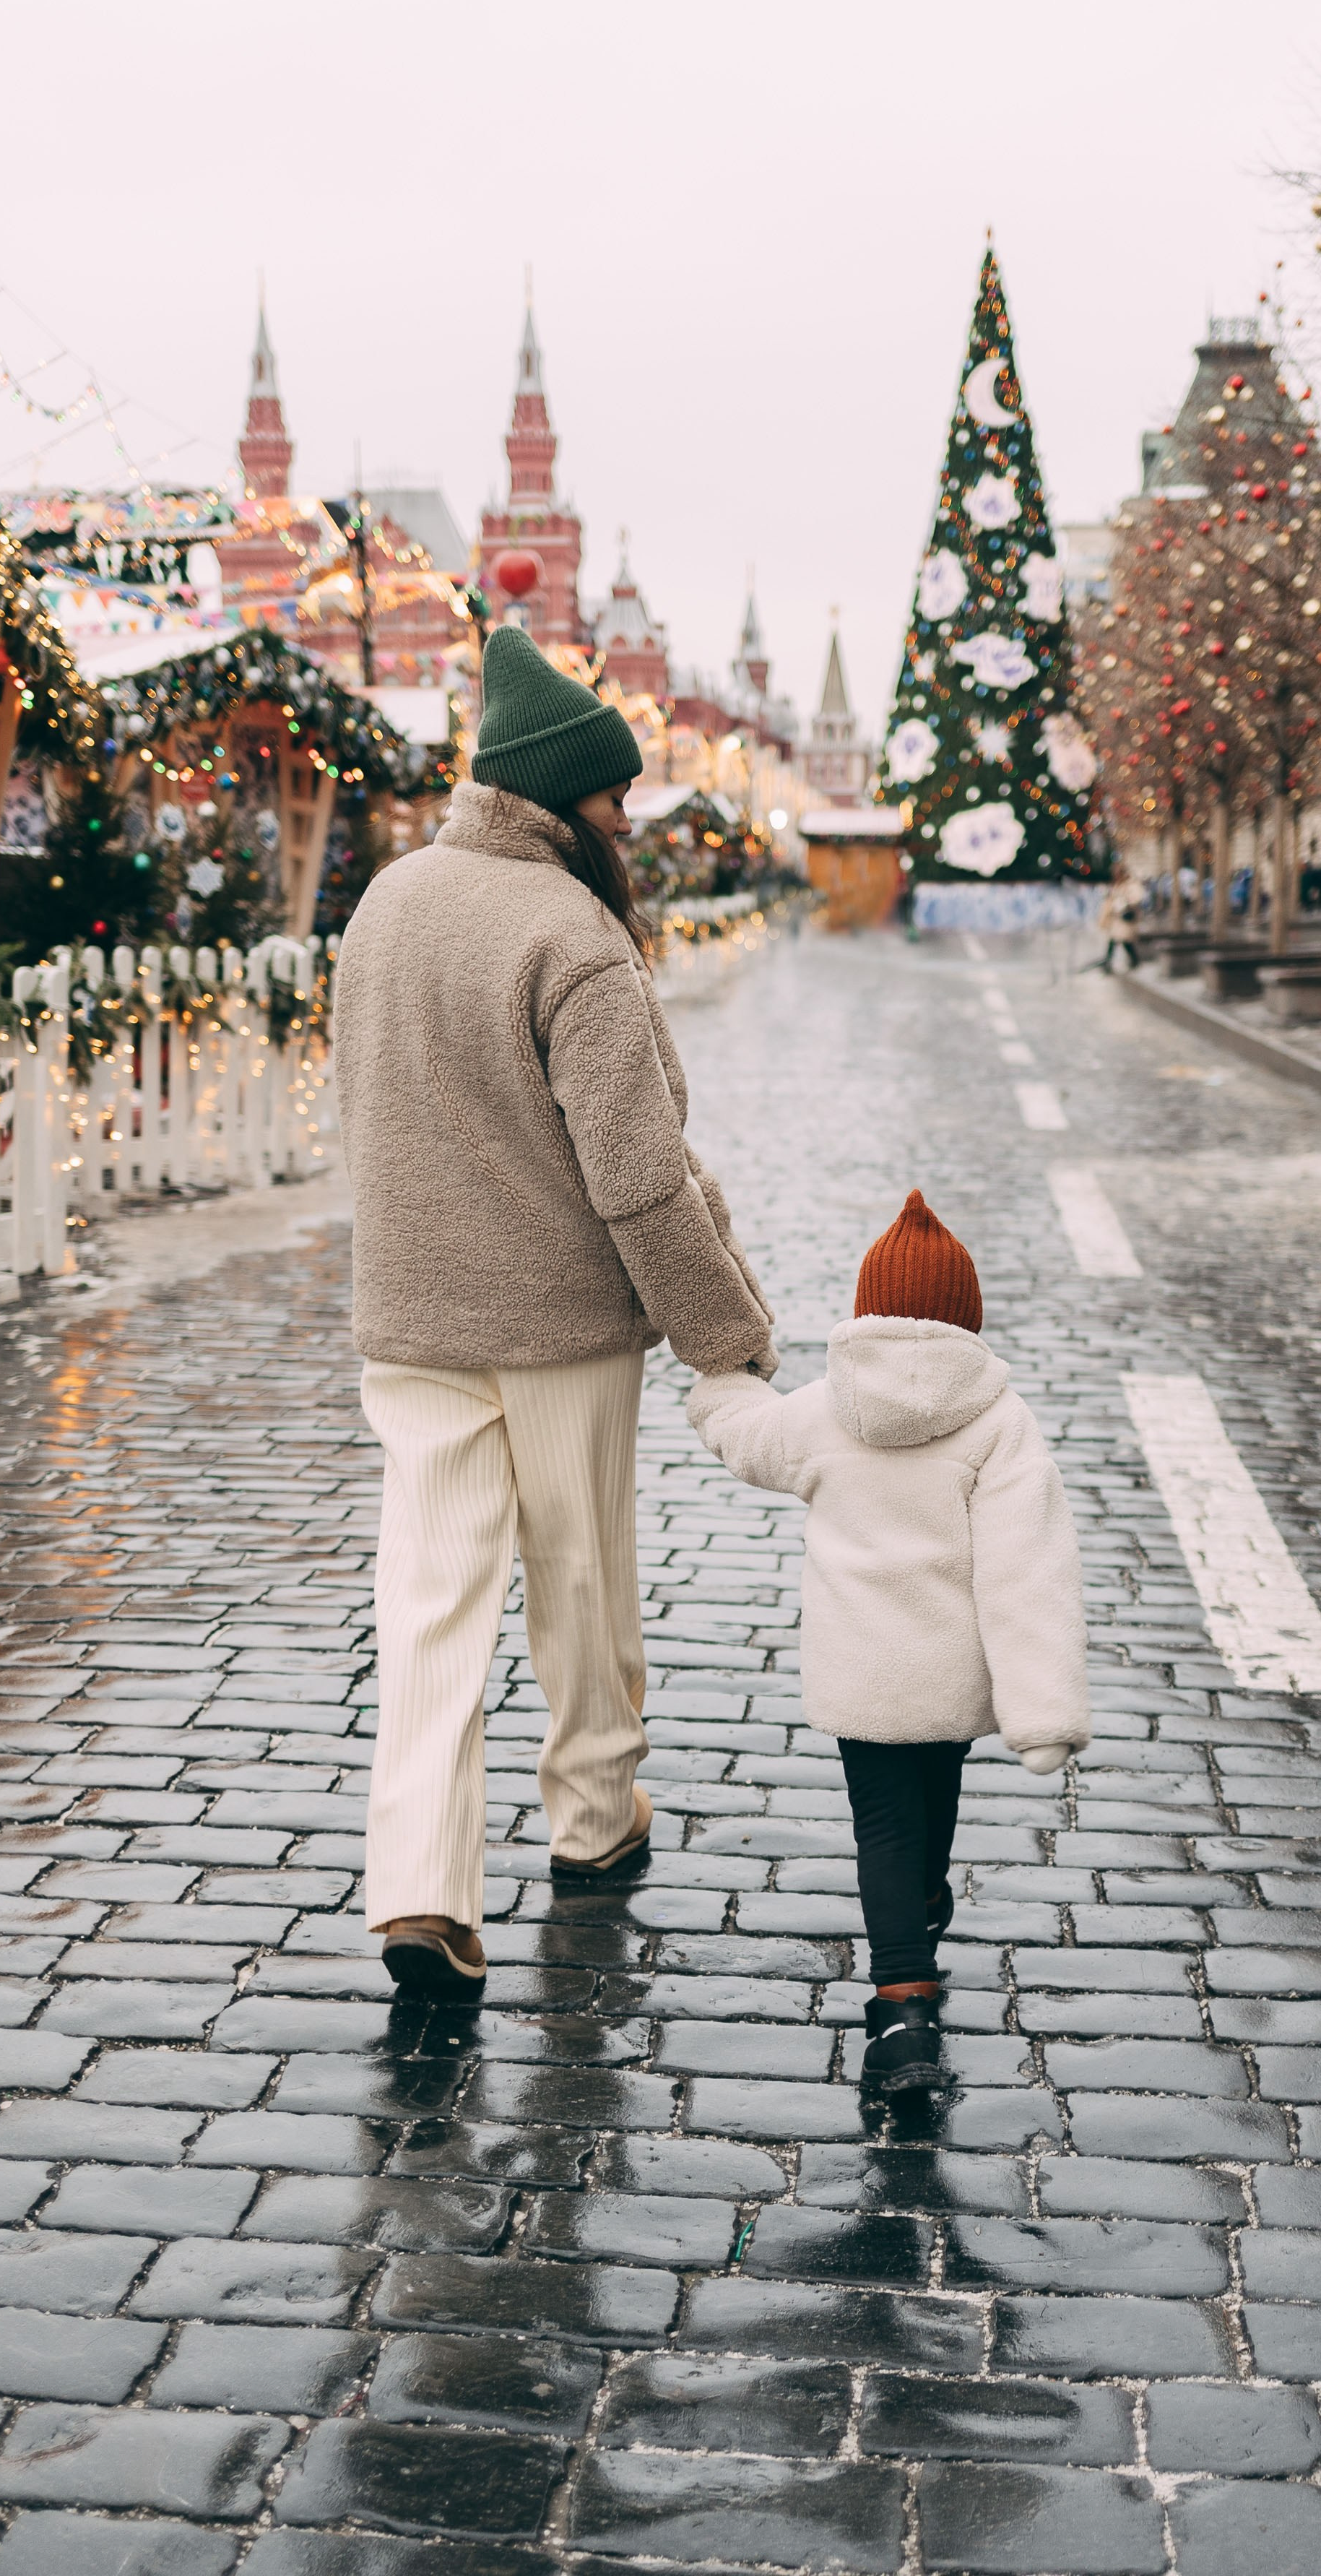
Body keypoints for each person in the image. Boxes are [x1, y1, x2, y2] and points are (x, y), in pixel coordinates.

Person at [333, 626, 777, 2000]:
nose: (627, 818)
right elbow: (638, 1182)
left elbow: (363, 1104)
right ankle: (592, 1821)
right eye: (614, 796)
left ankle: (420, 1884)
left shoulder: (387, 902)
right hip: (561, 1326)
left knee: (429, 1596)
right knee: (579, 1576)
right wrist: (729, 1338)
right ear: (562, 801)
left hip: (409, 1317)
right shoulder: (571, 933)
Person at [688, 1191, 1091, 2094]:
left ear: (867, 1310)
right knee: (933, 1803)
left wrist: (724, 1379)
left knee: (883, 1825)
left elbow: (742, 1436)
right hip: (948, 1675)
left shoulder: (825, 1410)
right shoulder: (998, 1423)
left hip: (860, 1673)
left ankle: (900, 2006)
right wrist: (1043, 1714)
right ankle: (921, 1921)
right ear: (967, 1319)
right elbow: (1030, 1572)